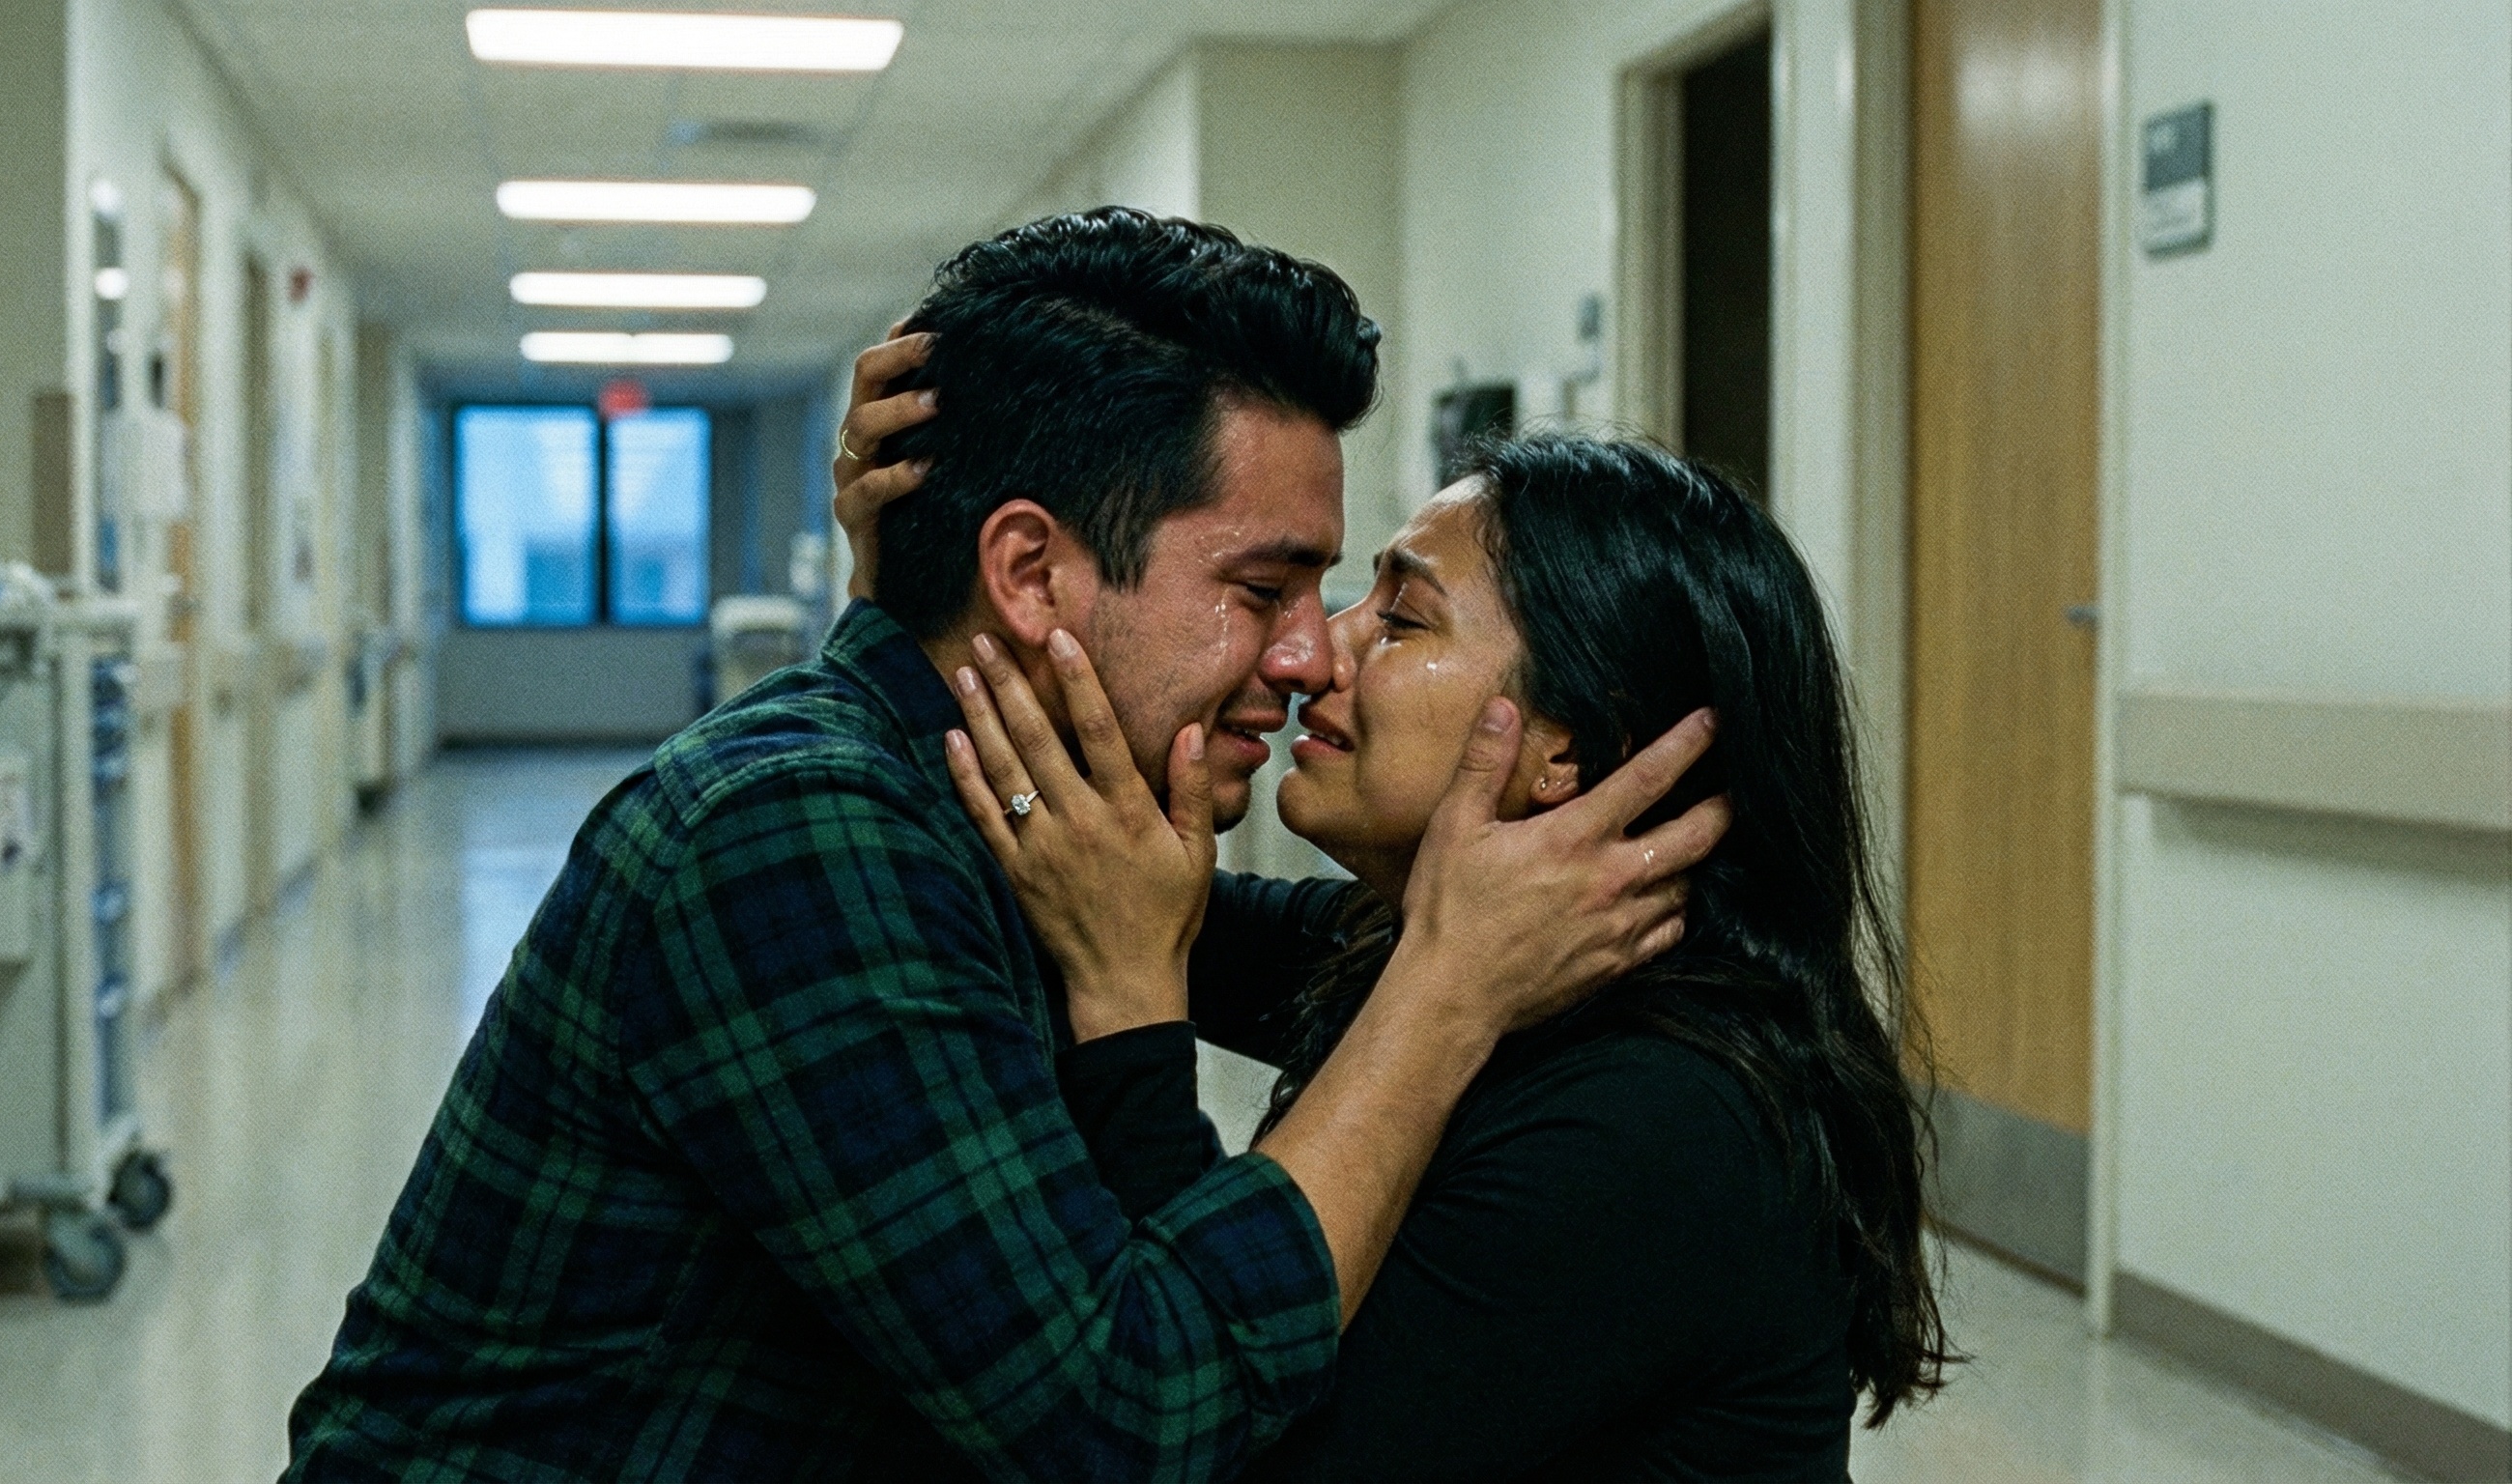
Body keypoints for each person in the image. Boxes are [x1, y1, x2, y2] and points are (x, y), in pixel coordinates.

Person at [283, 210, 1726, 1483]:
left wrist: (916, 572)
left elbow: (1314, 952)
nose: (1307, 658)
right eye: (1264, 587)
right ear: (1030, 572)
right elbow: (1135, 1423)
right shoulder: (796, 836)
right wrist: (1450, 993)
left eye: (1351, 601)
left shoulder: (994, 808)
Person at [852, 417, 1951, 1478]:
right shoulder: (1440, 958)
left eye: (1401, 620)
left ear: (1564, 748)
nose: (1315, 653)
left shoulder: (1659, 1119)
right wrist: (919, 567)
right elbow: (1095, 874)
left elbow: (1203, 1443)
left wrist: (1134, 1007)